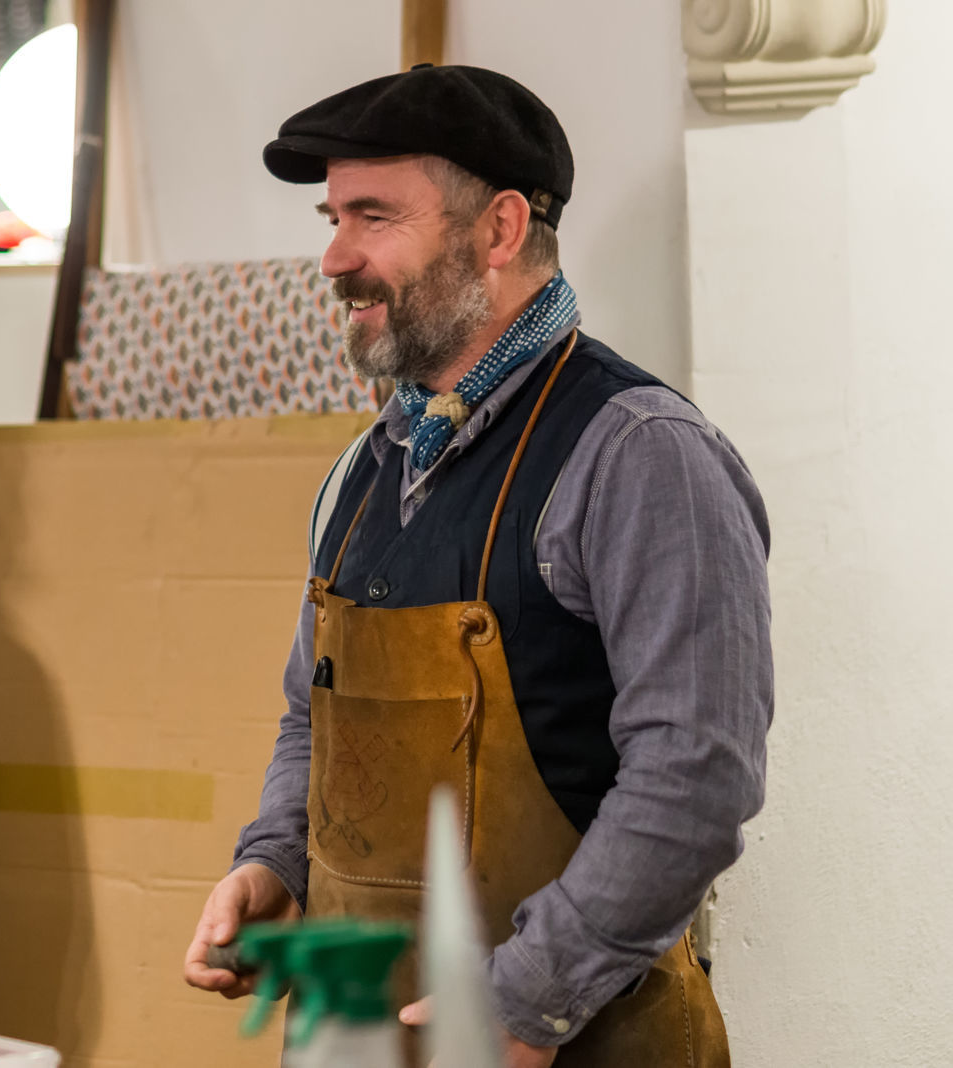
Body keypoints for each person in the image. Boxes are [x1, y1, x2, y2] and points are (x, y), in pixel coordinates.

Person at [182, 65, 772, 1068]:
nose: (334, 257)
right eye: (333, 217)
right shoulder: (364, 468)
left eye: (373, 217)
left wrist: (526, 1001)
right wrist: (275, 861)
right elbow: (311, 718)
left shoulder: (640, 454)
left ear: (500, 229)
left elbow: (696, 775)